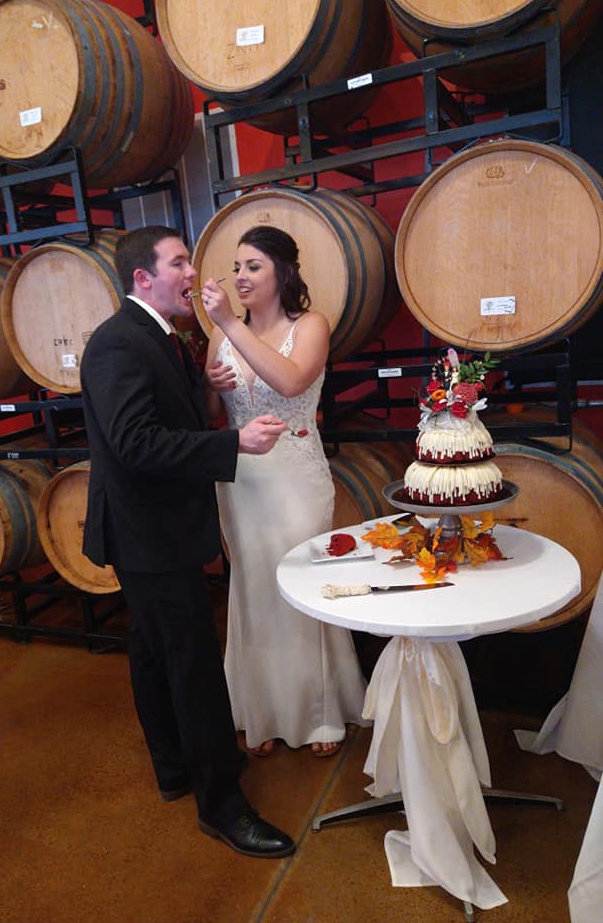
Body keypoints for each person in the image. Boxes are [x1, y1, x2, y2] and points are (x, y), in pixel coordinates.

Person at [80, 225, 295, 859]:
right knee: (193, 663)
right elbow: (136, 443)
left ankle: (175, 768)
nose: (194, 274)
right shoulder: (119, 343)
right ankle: (222, 807)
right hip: (148, 534)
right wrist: (232, 443)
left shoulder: (159, 336)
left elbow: (161, 421)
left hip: (153, 527)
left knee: (151, 652)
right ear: (142, 278)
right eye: (180, 263)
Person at [202, 225, 367, 758]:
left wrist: (227, 321)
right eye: (237, 267)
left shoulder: (311, 325)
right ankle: (261, 711)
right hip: (241, 481)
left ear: (282, 273)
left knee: (297, 588)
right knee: (252, 590)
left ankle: (318, 712)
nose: (241, 277)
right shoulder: (219, 335)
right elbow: (212, 419)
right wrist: (211, 386)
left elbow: (293, 382)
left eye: (254, 266)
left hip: (297, 475)